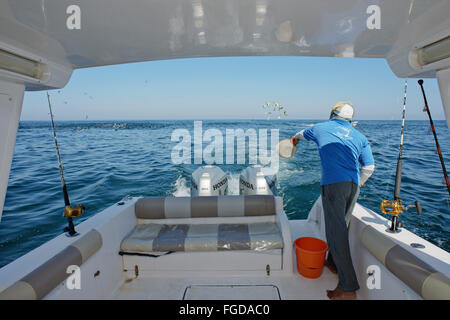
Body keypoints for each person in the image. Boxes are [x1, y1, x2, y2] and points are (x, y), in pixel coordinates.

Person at [291, 102, 375, 300]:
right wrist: (358, 185)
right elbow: (369, 168)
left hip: (334, 184)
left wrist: (293, 141)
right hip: (353, 186)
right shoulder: (360, 136)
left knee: (336, 233)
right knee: (342, 226)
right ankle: (333, 263)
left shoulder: (321, 128)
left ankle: (348, 287)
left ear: (332, 114)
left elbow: (300, 134)